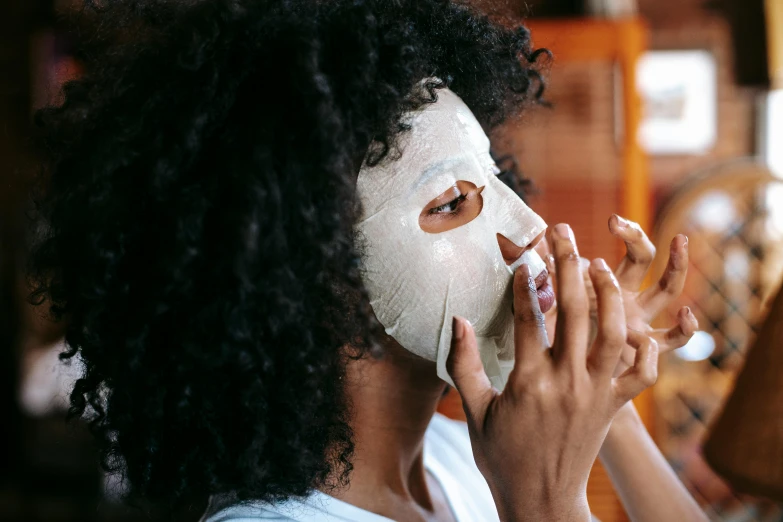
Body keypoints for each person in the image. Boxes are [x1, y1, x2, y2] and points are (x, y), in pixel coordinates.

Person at [27, 0, 707, 520]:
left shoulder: (457, 464)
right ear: (314, 282)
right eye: (450, 202)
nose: (529, 228)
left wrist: (603, 396)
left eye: (495, 178)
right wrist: (546, 502)